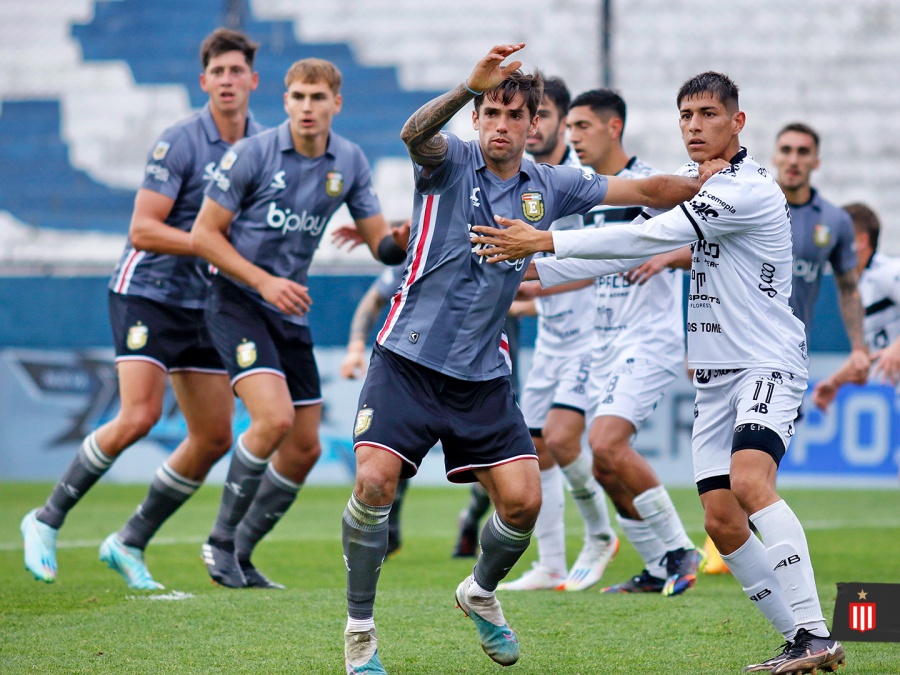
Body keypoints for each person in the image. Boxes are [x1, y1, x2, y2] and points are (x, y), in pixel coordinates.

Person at [341, 43, 703, 673]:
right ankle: (361, 631)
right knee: (374, 482)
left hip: (481, 375)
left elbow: (645, 186)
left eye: (515, 115)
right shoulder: (449, 161)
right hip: (406, 359)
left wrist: (718, 182)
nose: (502, 126)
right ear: (477, 120)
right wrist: (464, 86)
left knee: (523, 502)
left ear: (536, 124)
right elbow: (413, 132)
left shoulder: (553, 185)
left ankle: (479, 592)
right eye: (492, 113)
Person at [472, 70, 846, 675]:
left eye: (708, 115)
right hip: (717, 374)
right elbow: (653, 226)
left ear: (738, 122)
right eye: (686, 116)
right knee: (722, 521)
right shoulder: (705, 183)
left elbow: (653, 235)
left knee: (750, 483)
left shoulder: (747, 189)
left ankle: (816, 632)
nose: (696, 127)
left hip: (766, 360)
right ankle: (799, 642)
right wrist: (529, 267)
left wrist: (546, 242)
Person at [20, 28, 263, 589]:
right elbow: (142, 228)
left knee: (213, 438)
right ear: (203, 82)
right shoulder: (180, 141)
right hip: (147, 294)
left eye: (236, 71)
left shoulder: (263, 148)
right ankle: (46, 517)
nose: (227, 80)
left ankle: (128, 541)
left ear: (252, 79)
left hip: (206, 303)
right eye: (217, 72)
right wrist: (209, 244)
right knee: (138, 416)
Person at [191, 57, 402, 589]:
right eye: (298, 97)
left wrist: (403, 235)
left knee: (305, 446)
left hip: (287, 308)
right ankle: (217, 542)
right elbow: (204, 235)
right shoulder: (252, 154)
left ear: (336, 103)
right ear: (284, 101)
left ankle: (240, 552)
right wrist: (263, 282)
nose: (308, 107)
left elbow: (381, 247)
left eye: (318, 98)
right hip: (238, 300)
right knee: (274, 418)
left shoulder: (349, 160)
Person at [701, 121, 871, 576]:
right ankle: (735, 537)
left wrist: (858, 346)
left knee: (752, 467)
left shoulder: (833, 222)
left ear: (815, 161)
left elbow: (849, 287)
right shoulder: (752, 199)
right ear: (775, 156)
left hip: (781, 357)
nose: (794, 159)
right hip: (732, 350)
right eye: (787, 150)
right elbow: (703, 258)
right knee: (743, 467)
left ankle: (744, 544)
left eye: (803, 152)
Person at [568, 89, 702, 596]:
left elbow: (710, 244)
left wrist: (669, 256)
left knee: (604, 443)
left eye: (582, 126)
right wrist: (527, 277)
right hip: (603, 342)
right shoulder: (590, 193)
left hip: (648, 338)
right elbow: (587, 265)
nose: (573, 138)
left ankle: (678, 547)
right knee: (601, 462)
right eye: (571, 129)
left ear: (613, 127)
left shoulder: (653, 184)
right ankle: (656, 565)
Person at [495, 78, 619, 593]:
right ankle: (549, 564)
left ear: (560, 121)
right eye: (533, 114)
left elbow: (606, 258)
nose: (538, 124)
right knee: (536, 448)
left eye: (544, 114)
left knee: (565, 439)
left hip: (591, 335)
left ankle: (601, 534)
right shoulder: (521, 177)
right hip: (552, 337)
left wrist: (529, 293)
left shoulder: (580, 181)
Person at [337, 244, 409, 557]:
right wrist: (355, 345)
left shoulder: (490, 249)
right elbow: (374, 298)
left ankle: (471, 520)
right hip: (411, 374)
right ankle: (386, 529)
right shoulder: (417, 257)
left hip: (484, 375)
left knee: (499, 477)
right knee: (391, 456)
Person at [813, 203, 900, 410]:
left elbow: (892, 349)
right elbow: (867, 356)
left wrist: (897, 347)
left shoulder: (886, 271)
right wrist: (834, 382)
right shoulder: (856, 287)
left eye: (840, 235)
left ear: (861, 241)